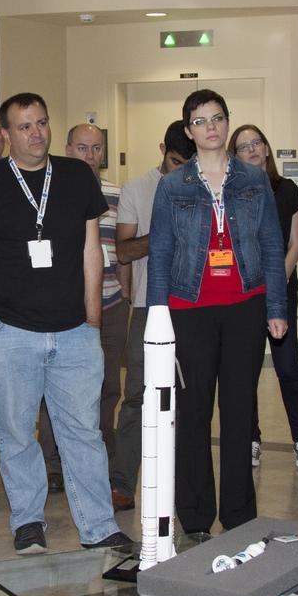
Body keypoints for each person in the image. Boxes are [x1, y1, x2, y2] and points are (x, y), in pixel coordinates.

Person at [0, 92, 128, 554]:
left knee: (83, 434)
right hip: (7, 333)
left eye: (43, 123)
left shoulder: (75, 177)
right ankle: (28, 521)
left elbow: (94, 251)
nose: (37, 133)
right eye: (26, 126)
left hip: (74, 332)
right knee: (16, 436)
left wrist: (92, 320)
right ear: (6, 135)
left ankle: (99, 526)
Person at [146, 89, 288, 533]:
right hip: (189, 309)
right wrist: (157, 317)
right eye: (201, 121)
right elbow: (161, 251)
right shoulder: (173, 185)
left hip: (246, 306)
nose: (211, 127)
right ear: (189, 130)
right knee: (192, 413)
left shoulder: (253, 179)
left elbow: (271, 243)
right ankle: (195, 516)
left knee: (239, 410)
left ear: (227, 123)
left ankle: (239, 514)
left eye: (218, 118)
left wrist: (277, 306)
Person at [111, 120, 193, 510]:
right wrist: (164, 232)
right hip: (148, 305)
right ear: (163, 150)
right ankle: (123, 483)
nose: (182, 171)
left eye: (188, 163)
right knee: (137, 397)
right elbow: (124, 252)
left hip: (194, 306)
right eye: (176, 162)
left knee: (188, 400)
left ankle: (181, 487)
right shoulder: (137, 188)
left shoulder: (203, 185)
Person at [228, 123, 298, 472]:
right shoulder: (232, 193)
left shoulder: (287, 190)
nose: (251, 150)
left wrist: (275, 286)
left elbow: (295, 244)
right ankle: (251, 439)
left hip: (280, 292)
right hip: (245, 296)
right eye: (243, 146)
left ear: (267, 149)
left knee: (288, 369)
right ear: (235, 156)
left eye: (256, 143)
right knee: (244, 371)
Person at [60, 123, 130, 505]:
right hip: (67, 309)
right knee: (59, 393)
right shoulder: (52, 192)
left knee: (108, 391)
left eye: (96, 148)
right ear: (68, 149)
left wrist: (126, 295)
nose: (89, 155)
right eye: (82, 147)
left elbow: (123, 251)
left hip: (111, 305)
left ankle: (105, 465)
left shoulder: (117, 195)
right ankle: (54, 468)